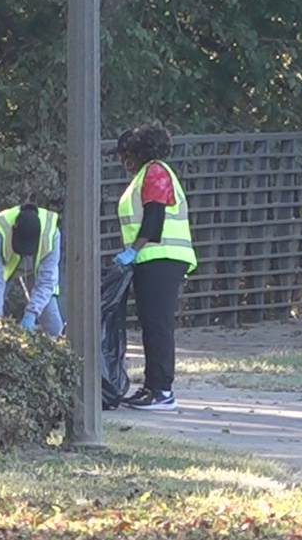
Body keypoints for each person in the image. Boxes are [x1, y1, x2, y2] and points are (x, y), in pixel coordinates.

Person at [109, 123, 197, 411]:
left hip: (162, 256)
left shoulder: (155, 172)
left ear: (135, 152)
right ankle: (152, 386)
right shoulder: (147, 175)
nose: (122, 162)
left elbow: (154, 218)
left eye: (124, 154)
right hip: (153, 258)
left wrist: (132, 251)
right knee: (151, 324)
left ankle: (162, 391)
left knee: (158, 325)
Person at [0, 203, 64, 337]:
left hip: (36, 269)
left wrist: (31, 315)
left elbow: (46, 282)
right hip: (0, 267)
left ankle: (57, 354)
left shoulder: (51, 235)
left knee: (53, 325)